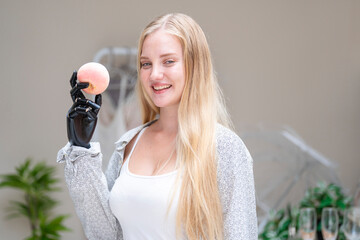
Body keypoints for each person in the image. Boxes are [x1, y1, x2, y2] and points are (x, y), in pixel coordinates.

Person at [57, 13, 257, 240]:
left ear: (195, 66)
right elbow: (106, 235)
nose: (155, 74)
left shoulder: (225, 149)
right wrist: (81, 148)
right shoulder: (129, 144)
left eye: (168, 61)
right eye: (146, 64)